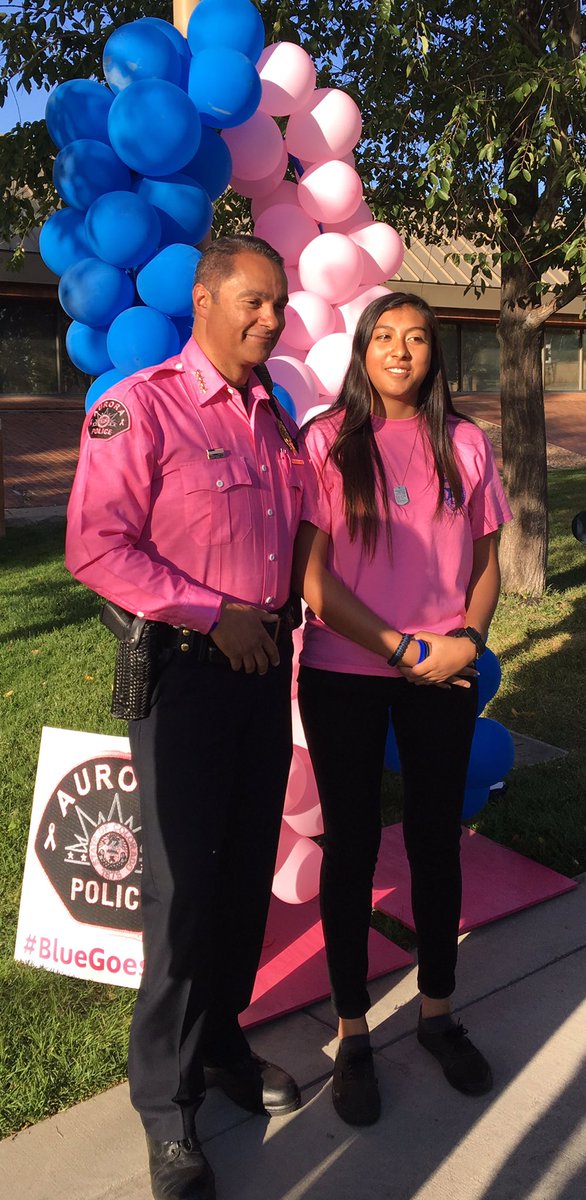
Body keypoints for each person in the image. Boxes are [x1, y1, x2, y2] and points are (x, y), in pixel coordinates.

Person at [66, 235, 312, 1200]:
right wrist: (213, 614)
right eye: (253, 300)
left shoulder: (272, 414)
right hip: (190, 677)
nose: (271, 318)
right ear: (204, 299)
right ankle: (166, 1109)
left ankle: (220, 1042)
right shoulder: (142, 406)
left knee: (246, 872)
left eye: (279, 303)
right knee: (181, 893)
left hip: (264, 671)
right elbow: (96, 547)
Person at [293, 292, 512, 1127]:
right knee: (351, 847)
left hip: (444, 670)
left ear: (434, 354)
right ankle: (353, 1032)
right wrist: (399, 649)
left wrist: (468, 640)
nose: (400, 350)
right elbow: (312, 577)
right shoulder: (326, 441)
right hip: (347, 671)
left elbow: (487, 561)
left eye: (417, 337)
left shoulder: (466, 443)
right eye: (384, 336)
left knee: (434, 841)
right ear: (362, 350)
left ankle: (437, 1012)